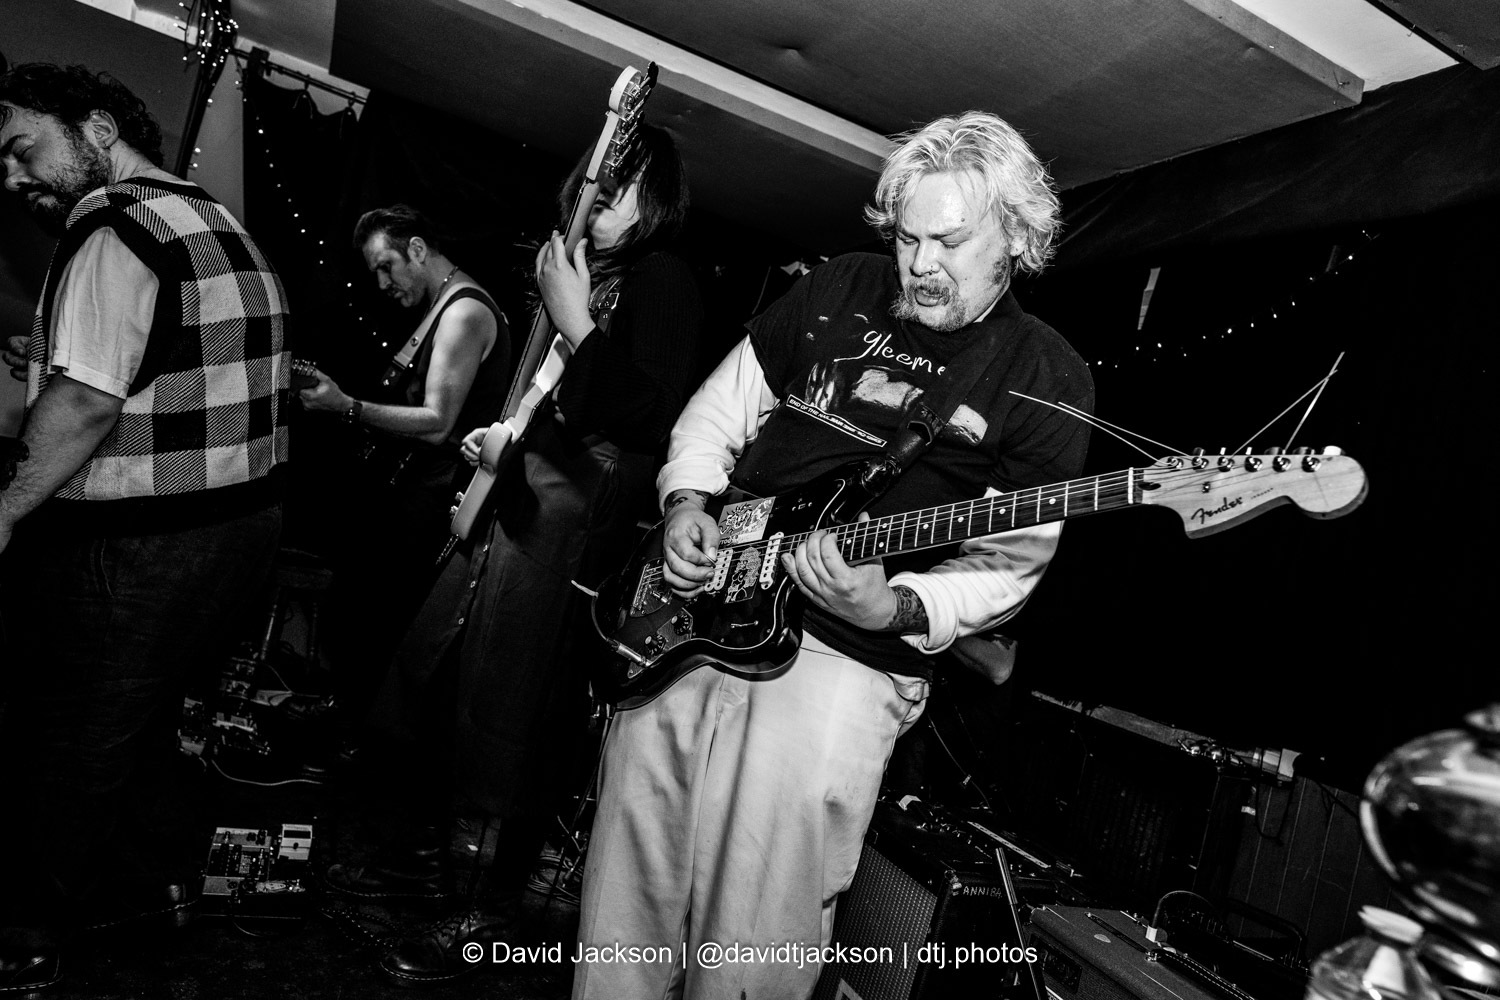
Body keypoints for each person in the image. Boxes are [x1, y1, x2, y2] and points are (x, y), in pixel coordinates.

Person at [572, 111, 1095, 1000]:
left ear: (1015, 236)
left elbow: (1007, 569)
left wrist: (892, 606)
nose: (920, 264)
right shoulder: (840, 285)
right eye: (908, 238)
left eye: (950, 242)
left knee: (755, 932)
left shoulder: (1045, 374)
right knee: (626, 891)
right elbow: (716, 411)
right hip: (693, 612)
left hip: (842, 659)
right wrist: (686, 502)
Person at [322, 123, 705, 986]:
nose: (599, 203)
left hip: (573, 525)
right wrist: (504, 438)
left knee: (508, 714)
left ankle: (482, 913)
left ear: (658, 200)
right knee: (437, 682)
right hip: (518, 503)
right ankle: (430, 871)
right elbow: (554, 398)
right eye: (596, 185)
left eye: (622, 189)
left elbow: (650, 417)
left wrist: (575, 321)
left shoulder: (662, 277)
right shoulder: (584, 268)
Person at [0, 63, 289, 991]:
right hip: (238, 528)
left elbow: (87, 402)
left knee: (73, 735)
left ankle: (27, 936)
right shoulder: (211, 217)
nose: (13, 177)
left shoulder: (112, 221)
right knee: (149, 722)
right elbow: (179, 358)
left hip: (143, 543)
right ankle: (152, 894)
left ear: (96, 126)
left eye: (22, 149)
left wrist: (5, 508)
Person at [298, 206, 508, 704]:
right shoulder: (444, 308)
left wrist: (347, 407)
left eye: (385, 266)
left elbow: (437, 423)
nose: (381, 283)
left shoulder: (463, 312)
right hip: (418, 497)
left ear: (416, 249)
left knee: (380, 632)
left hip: (433, 504)